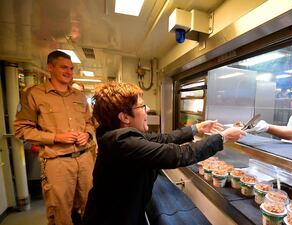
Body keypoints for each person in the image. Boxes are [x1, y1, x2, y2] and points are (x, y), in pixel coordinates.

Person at [82, 82, 245, 225]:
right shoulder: (121, 142)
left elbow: (163, 138)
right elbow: (179, 154)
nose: (148, 110)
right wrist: (223, 137)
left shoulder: (119, 133)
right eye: (142, 106)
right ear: (125, 117)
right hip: (112, 219)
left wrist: (197, 128)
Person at [13, 50, 96, 225]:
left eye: (71, 68)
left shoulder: (80, 96)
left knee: (91, 206)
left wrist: (87, 134)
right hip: (57, 162)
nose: (69, 72)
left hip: (85, 160)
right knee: (60, 212)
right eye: (63, 67)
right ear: (50, 68)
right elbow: (21, 130)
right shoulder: (34, 94)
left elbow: (90, 122)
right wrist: (56, 137)